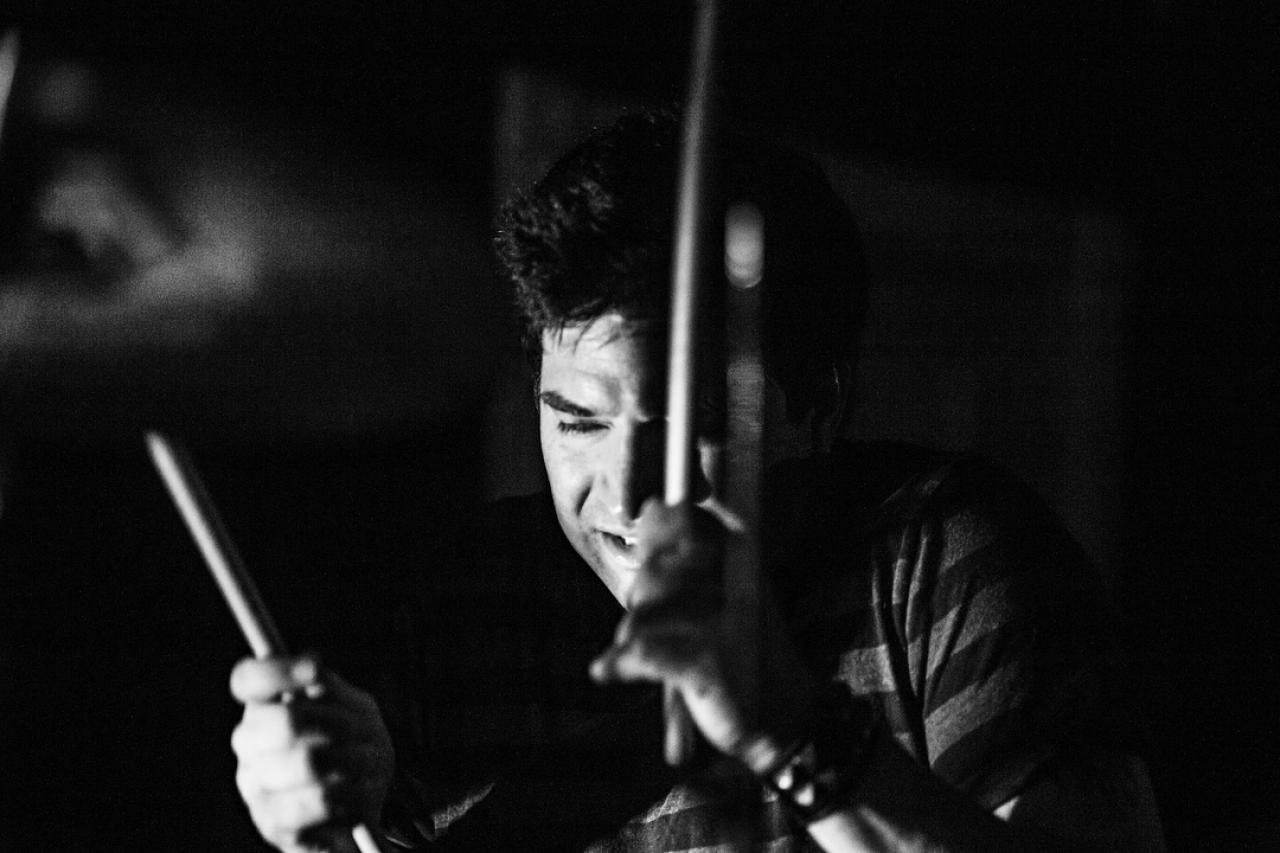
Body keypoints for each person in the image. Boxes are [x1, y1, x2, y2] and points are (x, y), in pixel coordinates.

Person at [228, 111, 1166, 852]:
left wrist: (793, 732)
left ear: (818, 402)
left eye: (690, 426)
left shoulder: (942, 554)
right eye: (578, 421)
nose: (624, 492)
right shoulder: (468, 607)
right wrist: (331, 832)